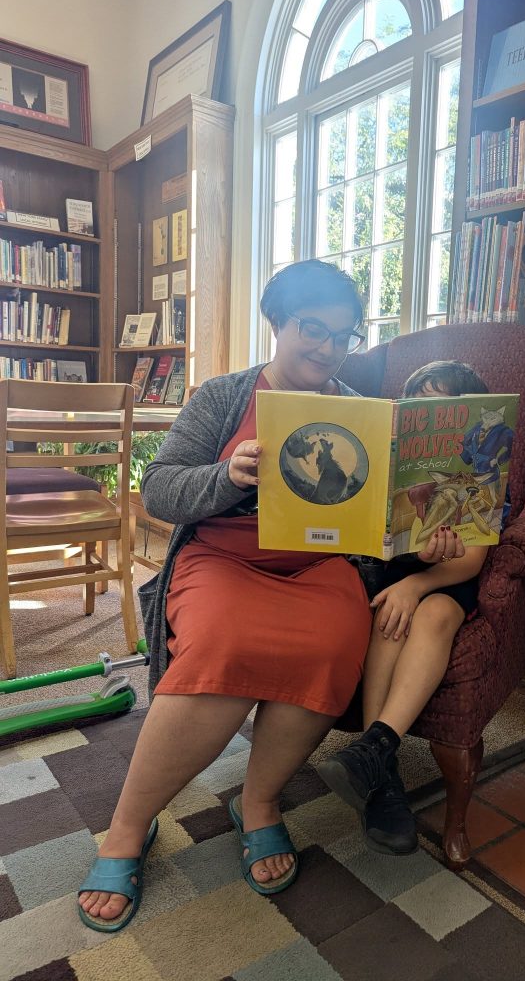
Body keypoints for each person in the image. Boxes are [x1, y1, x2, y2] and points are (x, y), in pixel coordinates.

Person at [78, 259, 377, 931]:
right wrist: (228, 475)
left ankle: (261, 800)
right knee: (222, 645)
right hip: (223, 559)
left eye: (342, 335)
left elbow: (372, 518)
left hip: (317, 568)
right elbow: (158, 490)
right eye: (312, 329)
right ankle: (128, 828)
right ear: (278, 323)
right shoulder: (223, 397)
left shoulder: (359, 411)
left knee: (334, 642)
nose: (327, 348)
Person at [317, 360, 507, 856]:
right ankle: (380, 764)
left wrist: (423, 580)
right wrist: (405, 564)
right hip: (396, 575)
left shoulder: (485, 472)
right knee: (391, 614)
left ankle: (375, 750)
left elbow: (472, 561)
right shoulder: (394, 469)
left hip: (450, 581)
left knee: (438, 613)